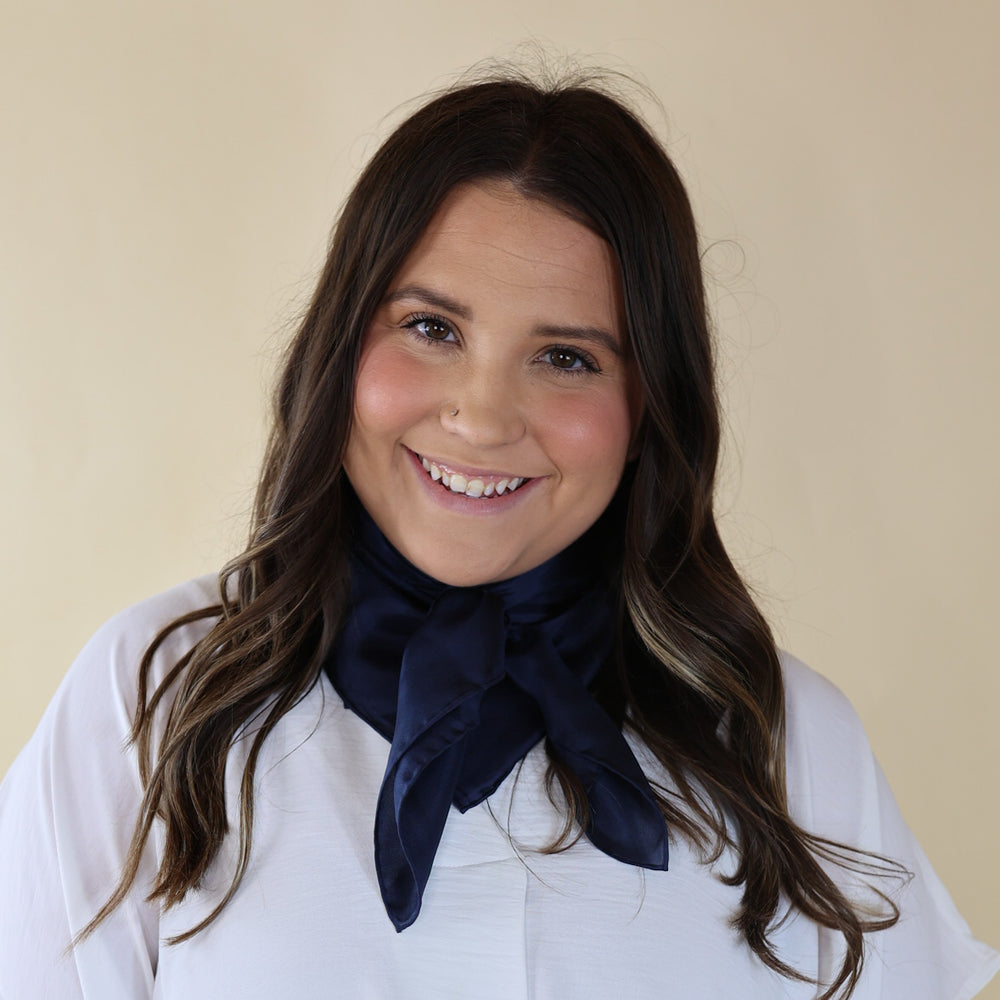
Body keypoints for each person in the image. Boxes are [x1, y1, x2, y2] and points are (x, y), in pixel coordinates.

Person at [0, 71, 996, 1000]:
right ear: (340, 345)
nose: (480, 419)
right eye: (431, 328)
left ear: (651, 404)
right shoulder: (152, 694)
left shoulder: (785, 737)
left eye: (566, 357)